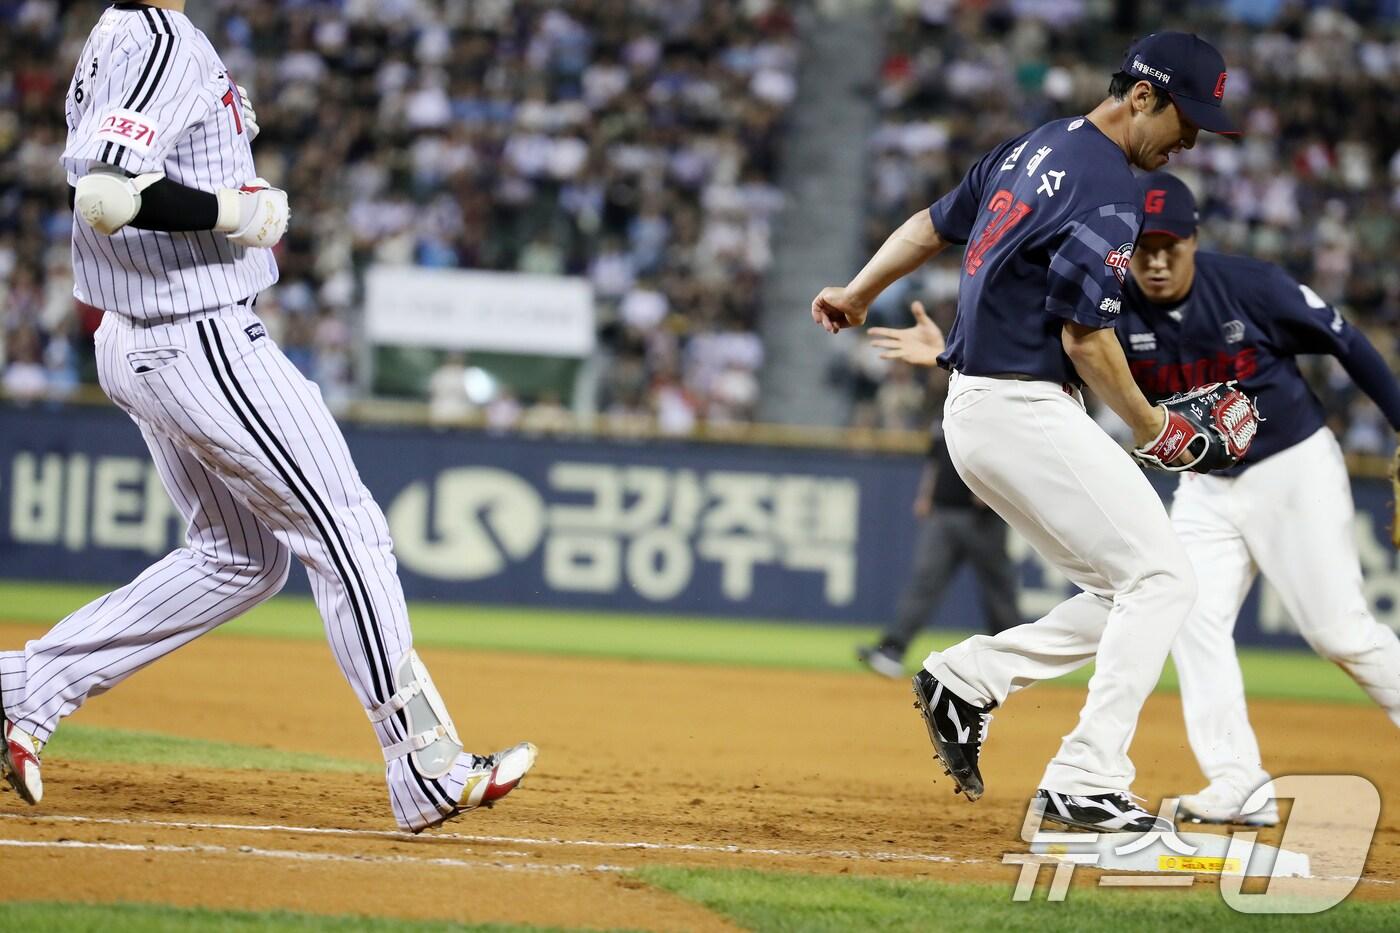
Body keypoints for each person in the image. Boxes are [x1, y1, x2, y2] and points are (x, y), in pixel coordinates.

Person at [0, 0, 536, 833]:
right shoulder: (161, 38)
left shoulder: (114, 32)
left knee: (240, 557)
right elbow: (105, 195)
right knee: (347, 529)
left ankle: (24, 690)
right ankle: (425, 762)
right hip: (198, 335)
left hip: (140, 333)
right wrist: (237, 215)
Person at [812, 32, 1243, 832]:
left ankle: (970, 675)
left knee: (1133, 589)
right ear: (1142, 96)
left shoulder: (1034, 146)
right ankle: (1086, 776)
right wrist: (1156, 430)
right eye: (1189, 120)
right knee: (1165, 581)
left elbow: (932, 223)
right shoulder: (1112, 191)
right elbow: (1086, 337)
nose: (1192, 140)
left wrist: (859, 289)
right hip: (1020, 408)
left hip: (983, 409)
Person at [1119, 172, 1400, 825]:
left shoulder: (1251, 285)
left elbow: (1346, 339)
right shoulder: (1112, 308)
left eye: (1169, 245)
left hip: (1290, 466)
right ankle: (1239, 782)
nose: (1156, 260)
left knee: (1339, 632)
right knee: (1186, 612)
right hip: (1205, 483)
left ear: (1193, 240)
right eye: (1143, 247)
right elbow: (1056, 363)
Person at [858, 309, 1021, 679]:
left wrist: (992, 489)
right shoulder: (945, 406)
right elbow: (935, 459)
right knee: (923, 583)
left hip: (983, 516)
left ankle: (1015, 661)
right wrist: (925, 494)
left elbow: (1009, 451)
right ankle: (892, 651)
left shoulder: (994, 399)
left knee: (999, 592)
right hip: (945, 512)